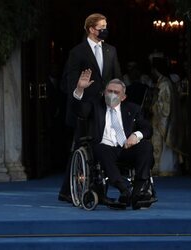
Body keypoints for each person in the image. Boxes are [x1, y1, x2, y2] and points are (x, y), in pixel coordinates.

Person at [59, 13, 122, 202]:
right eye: (101, 26)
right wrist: (80, 90)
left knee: (104, 147)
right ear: (91, 29)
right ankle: (70, 191)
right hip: (84, 109)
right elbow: (69, 83)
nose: (105, 29)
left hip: (107, 107)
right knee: (83, 147)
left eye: (106, 25)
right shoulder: (77, 52)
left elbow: (117, 77)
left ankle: (90, 191)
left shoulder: (111, 50)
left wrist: (117, 98)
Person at [73, 70, 155, 209]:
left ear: (123, 97)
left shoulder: (133, 109)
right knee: (101, 148)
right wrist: (80, 88)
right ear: (104, 92)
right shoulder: (95, 105)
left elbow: (147, 129)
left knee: (146, 146)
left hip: (126, 148)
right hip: (104, 149)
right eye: (109, 91)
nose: (111, 94)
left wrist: (136, 135)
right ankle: (124, 190)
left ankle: (137, 191)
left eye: (116, 92)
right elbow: (80, 111)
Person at [150, 56, 184, 176]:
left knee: (164, 144)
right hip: (159, 119)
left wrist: (153, 106)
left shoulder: (164, 84)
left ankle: (165, 168)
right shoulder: (163, 82)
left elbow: (165, 104)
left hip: (162, 119)